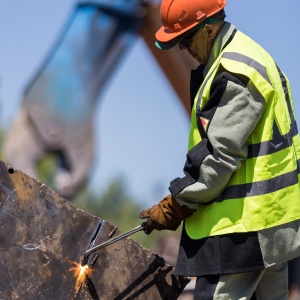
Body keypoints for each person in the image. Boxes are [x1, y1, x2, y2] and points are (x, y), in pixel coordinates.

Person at [139, 0, 300, 299]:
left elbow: (219, 156)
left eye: (186, 40)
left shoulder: (236, 71)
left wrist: (177, 204)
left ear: (209, 29)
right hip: (268, 227)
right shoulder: (246, 58)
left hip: (242, 232)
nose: (185, 50)